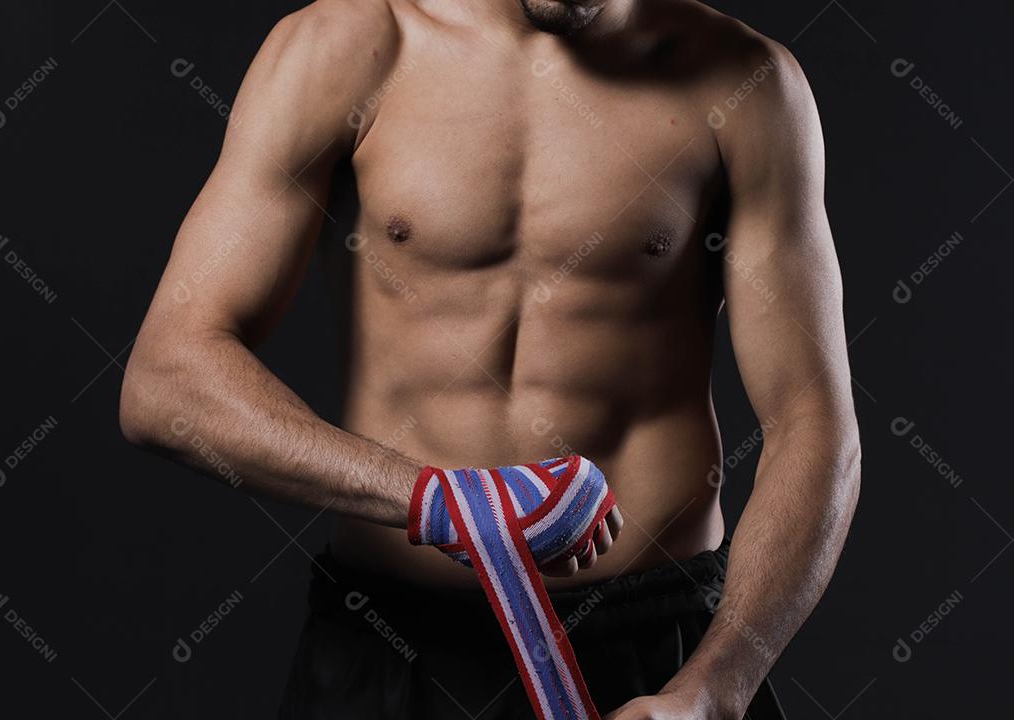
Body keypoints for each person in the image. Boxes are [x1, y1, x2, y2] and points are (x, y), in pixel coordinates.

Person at [120, 0, 861, 717]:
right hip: (393, 645)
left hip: (656, 657)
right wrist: (439, 499)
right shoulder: (346, 49)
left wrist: (717, 688)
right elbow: (167, 379)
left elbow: (814, 426)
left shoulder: (743, 83)